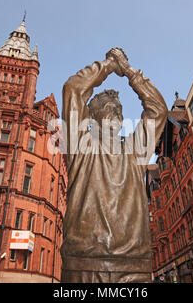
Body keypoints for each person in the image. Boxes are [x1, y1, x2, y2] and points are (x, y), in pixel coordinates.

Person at [61, 47, 168, 283]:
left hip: (135, 266)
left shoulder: (135, 150)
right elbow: (73, 89)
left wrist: (129, 72)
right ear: (93, 120)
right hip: (84, 266)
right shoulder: (80, 146)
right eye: (109, 109)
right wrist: (110, 64)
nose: (116, 113)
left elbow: (158, 110)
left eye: (118, 110)